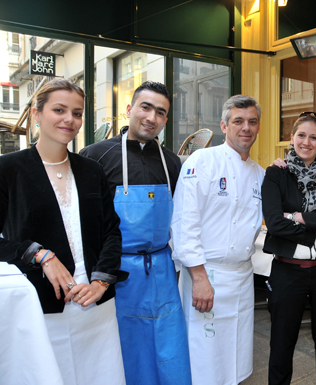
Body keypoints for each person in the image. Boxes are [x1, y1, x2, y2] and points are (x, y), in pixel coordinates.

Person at [0, 78, 126, 384]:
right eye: (59, 110)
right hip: (42, 305)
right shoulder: (8, 169)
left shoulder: (91, 170)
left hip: (94, 303)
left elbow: (111, 231)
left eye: (77, 112)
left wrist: (101, 281)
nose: (70, 119)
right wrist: (39, 254)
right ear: (36, 113)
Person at [80, 81, 191, 385]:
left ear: (166, 120)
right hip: (115, 271)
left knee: (166, 343)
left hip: (162, 270)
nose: (151, 117)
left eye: (160, 112)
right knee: (119, 346)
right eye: (145, 107)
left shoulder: (172, 163)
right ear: (129, 109)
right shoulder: (95, 156)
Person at [171, 95, 265, 385]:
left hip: (242, 277)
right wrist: (198, 277)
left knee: (236, 351)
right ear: (224, 126)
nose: (245, 128)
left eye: (252, 121)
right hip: (207, 274)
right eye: (238, 121)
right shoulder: (203, 160)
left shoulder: (261, 174)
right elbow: (185, 222)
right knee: (204, 356)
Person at [262, 112, 316, 385]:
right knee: (281, 344)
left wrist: (298, 217)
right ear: (291, 138)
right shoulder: (276, 173)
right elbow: (275, 223)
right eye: (301, 135)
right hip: (288, 272)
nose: (306, 142)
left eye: (313, 137)